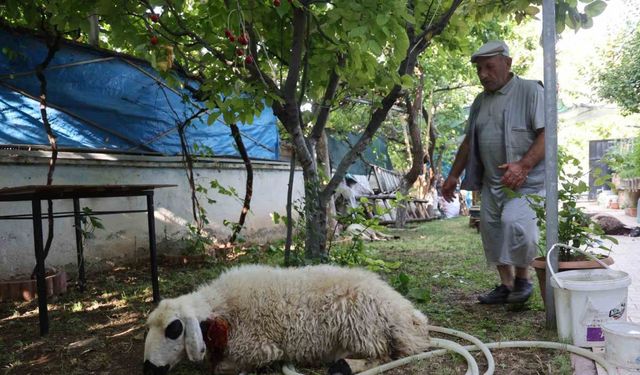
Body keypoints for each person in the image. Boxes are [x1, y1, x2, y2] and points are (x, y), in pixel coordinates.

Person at [442, 40, 545, 304]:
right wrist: (454, 175)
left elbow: (548, 135)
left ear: (507, 64)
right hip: (492, 182)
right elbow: (468, 142)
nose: (483, 74)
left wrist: (523, 166)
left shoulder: (530, 90)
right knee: (492, 230)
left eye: (488, 67)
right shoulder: (479, 101)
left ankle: (524, 280)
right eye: (479, 69)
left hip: (528, 182)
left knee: (516, 224)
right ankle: (507, 285)